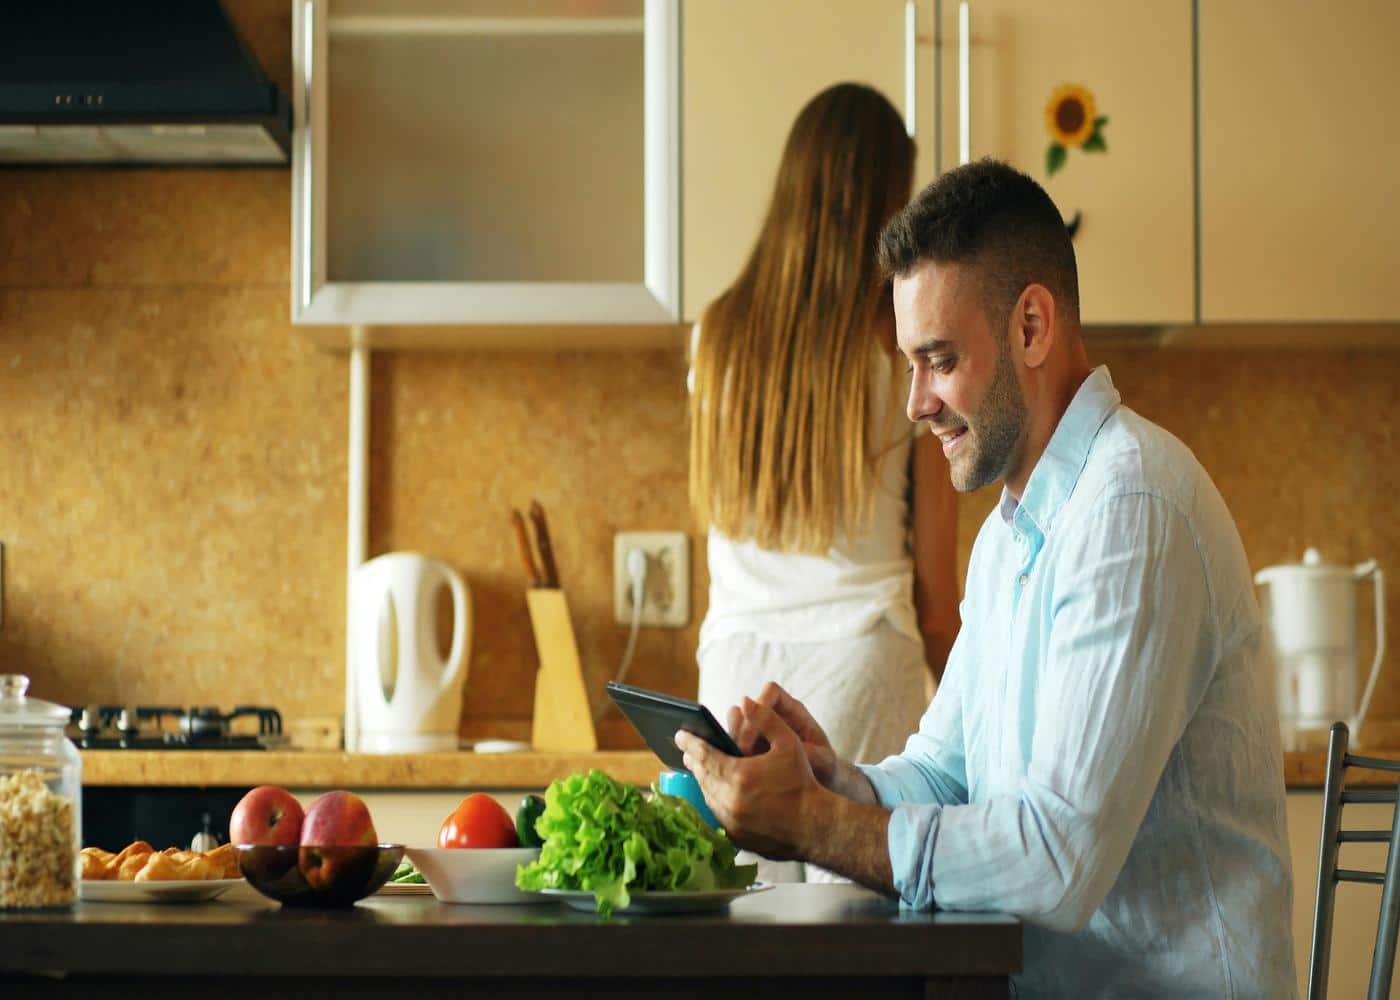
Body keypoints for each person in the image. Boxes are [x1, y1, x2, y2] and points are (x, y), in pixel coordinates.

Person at [678, 159, 1297, 995]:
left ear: (1032, 326)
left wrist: (818, 828)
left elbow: (1056, 859)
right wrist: (831, 778)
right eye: (909, 364)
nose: (915, 403)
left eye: (937, 359)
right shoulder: (1015, 534)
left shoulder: (1131, 508)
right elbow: (944, 772)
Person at [686, 83, 962, 884]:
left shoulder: (716, 339)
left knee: (748, 942)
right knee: (862, 952)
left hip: (732, 682)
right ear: (887, 198)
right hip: (864, 669)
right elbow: (937, 594)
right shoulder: (903, 346)